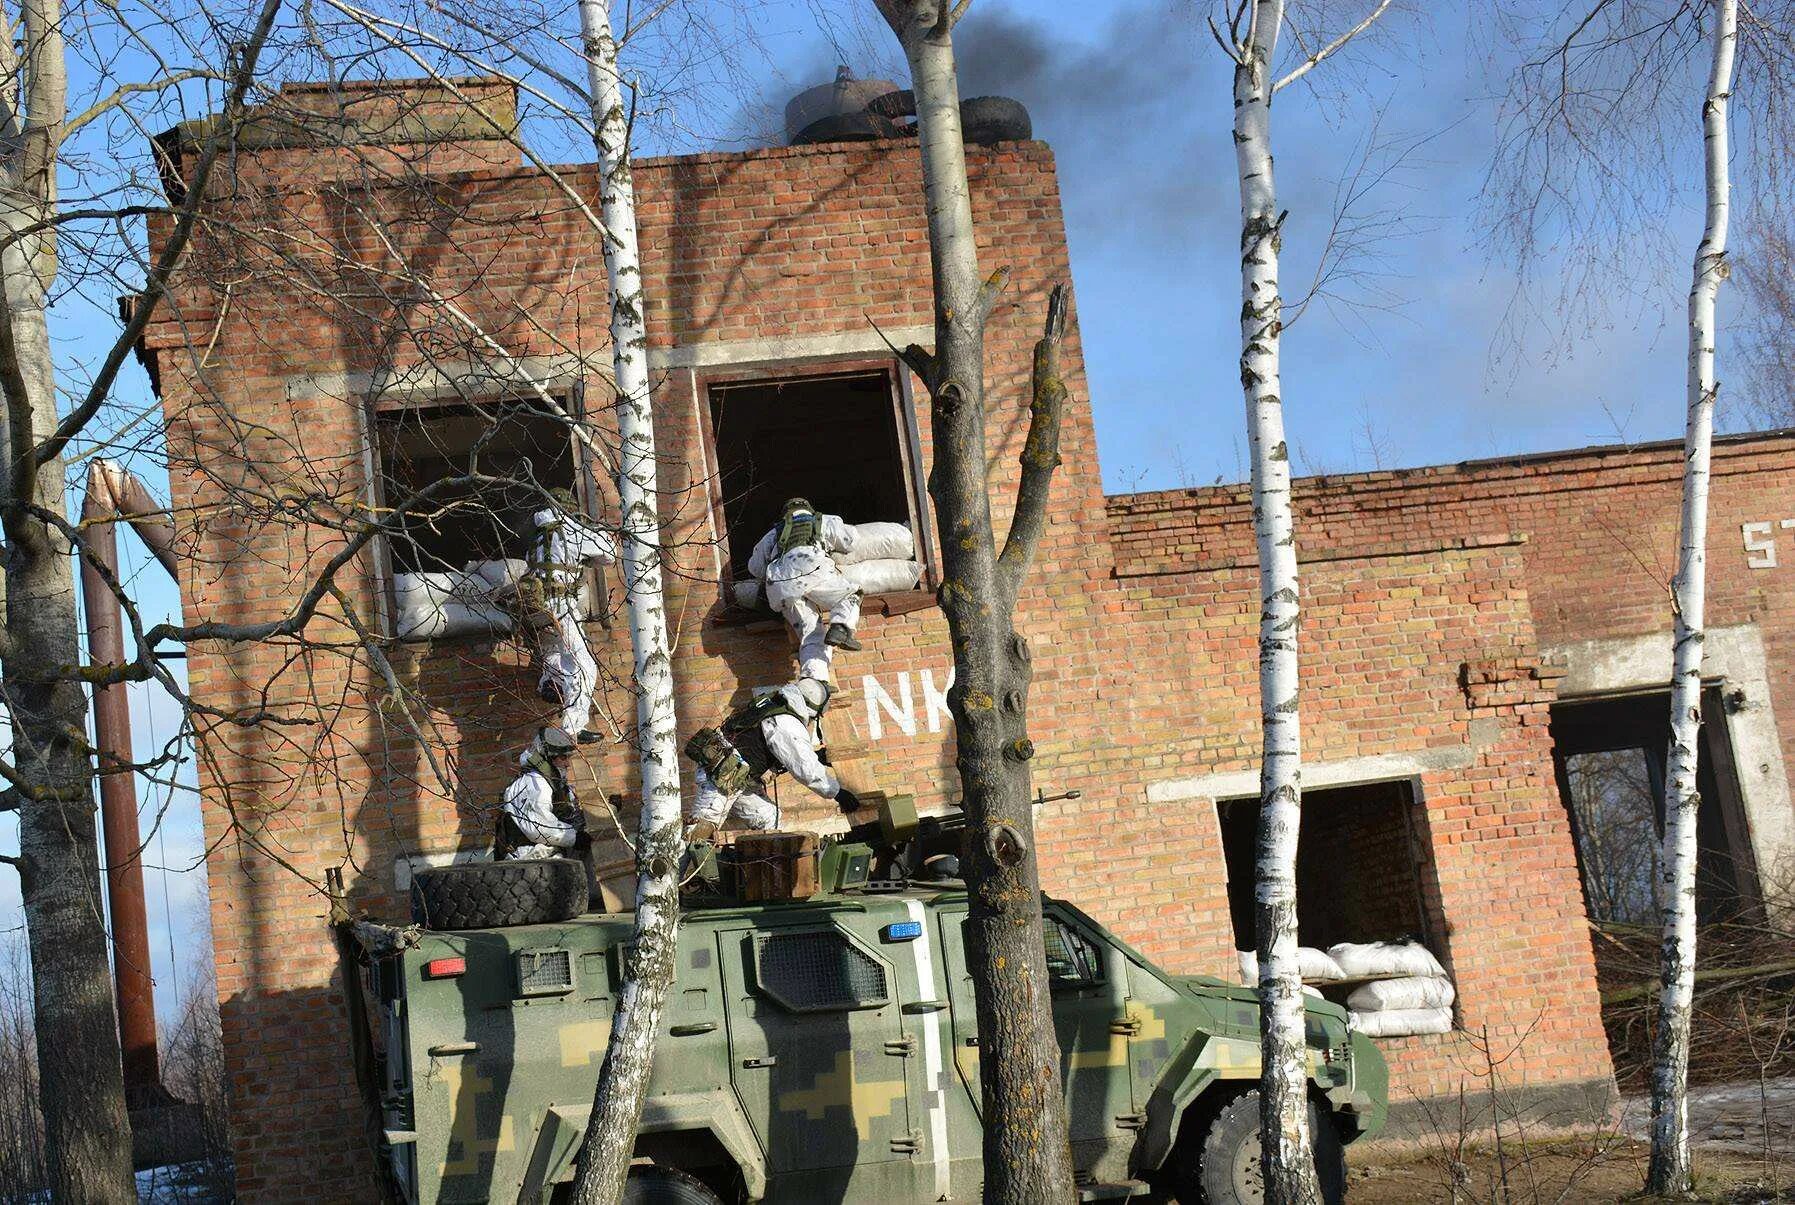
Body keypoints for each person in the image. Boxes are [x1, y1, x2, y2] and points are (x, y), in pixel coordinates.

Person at [683, 677, 860, 833]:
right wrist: (837, 793)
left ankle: (760, 867)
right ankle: (670, 869)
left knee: (769, 818)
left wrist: (816, 756)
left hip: (737, 778)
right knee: (700, 831)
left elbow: (775, 751)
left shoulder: (773, 705)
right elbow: (806, 769)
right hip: (721, 778)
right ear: (813, 710)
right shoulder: (788, 723)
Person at [526, 487, 615, 743]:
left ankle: (548, 681)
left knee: (556, 653)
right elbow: (608, 553)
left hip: (538, 609)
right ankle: (572, 727)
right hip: (561, 607)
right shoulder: (570, 530)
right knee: (585, 667)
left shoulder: (538, 536)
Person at [747, 497, 862, 681]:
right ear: (808, 509)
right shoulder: (821, 520)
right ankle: (841, 628)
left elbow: (754, 568)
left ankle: (815, 684)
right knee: (851, 594)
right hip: (814, 571)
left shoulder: (774, 533)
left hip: (781, 586)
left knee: (811, 634)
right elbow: (851, 541)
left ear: (785, 514)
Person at [496, 725, 587, 860]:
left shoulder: (555, 783)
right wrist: (576, 837)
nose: (568, 763)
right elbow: (539, 828)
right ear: (546, 757)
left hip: (548, 855)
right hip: (529, 859)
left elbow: (572, 815)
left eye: (569, 757)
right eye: (563, 757)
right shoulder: (534, 783)